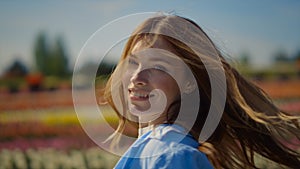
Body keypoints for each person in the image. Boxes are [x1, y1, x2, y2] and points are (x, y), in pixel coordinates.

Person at [100, 13, 300, 169]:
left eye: (159, 66)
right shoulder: (159, 148)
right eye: (133, 62)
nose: (137, 77)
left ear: (189, 82)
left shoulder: (172, 156)